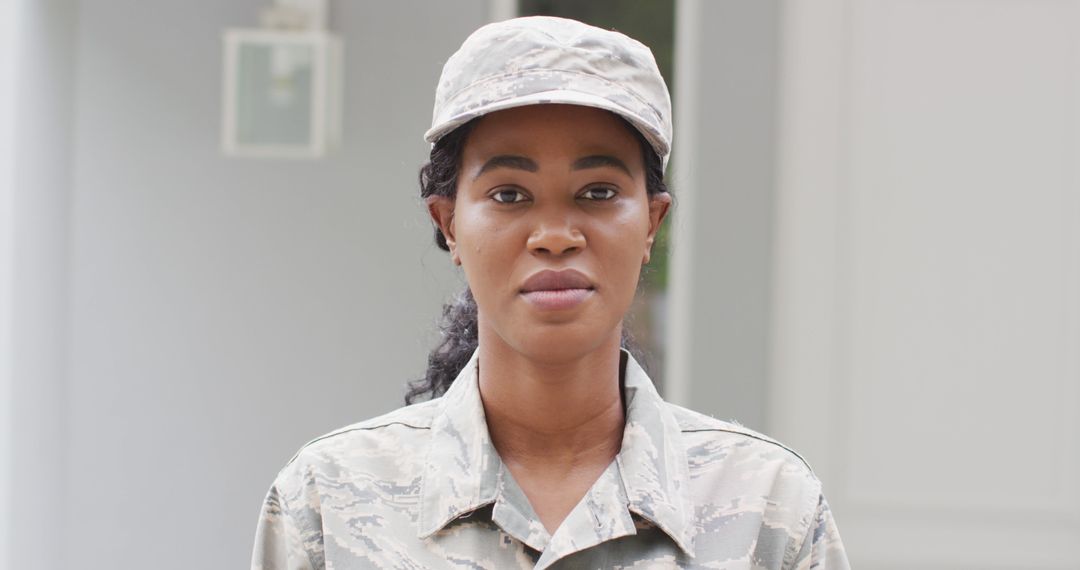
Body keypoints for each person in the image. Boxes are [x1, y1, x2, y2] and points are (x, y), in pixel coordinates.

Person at [251, 15, 850, 570]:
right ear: (449, 224)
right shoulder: (326, 502)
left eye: (597, 192)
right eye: (509, 194)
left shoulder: (769, 506)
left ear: (651, 224)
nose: (556, 236)